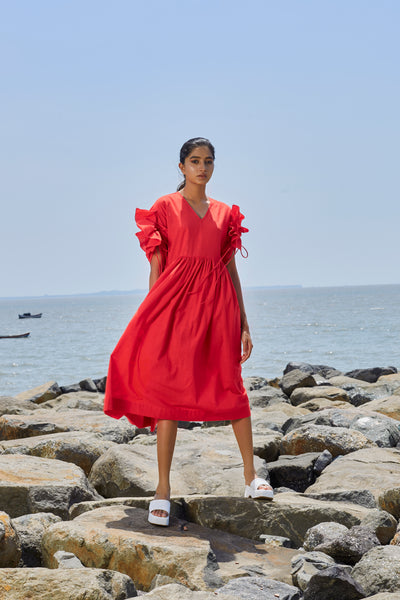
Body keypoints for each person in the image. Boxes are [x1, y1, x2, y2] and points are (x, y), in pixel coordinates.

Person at [104, 137, 273, 526]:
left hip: (218, 307)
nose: (202, 167)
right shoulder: (164, 207)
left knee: (231, 385)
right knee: (167, 391)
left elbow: (230, 268)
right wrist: (151, 316)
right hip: (175, 305)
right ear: (181, 166)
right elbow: (158, 265)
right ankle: (162, 490)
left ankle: (251, 476)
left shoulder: (226, 212)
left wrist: (244, 321)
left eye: (208, 161)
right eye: (194, 161)